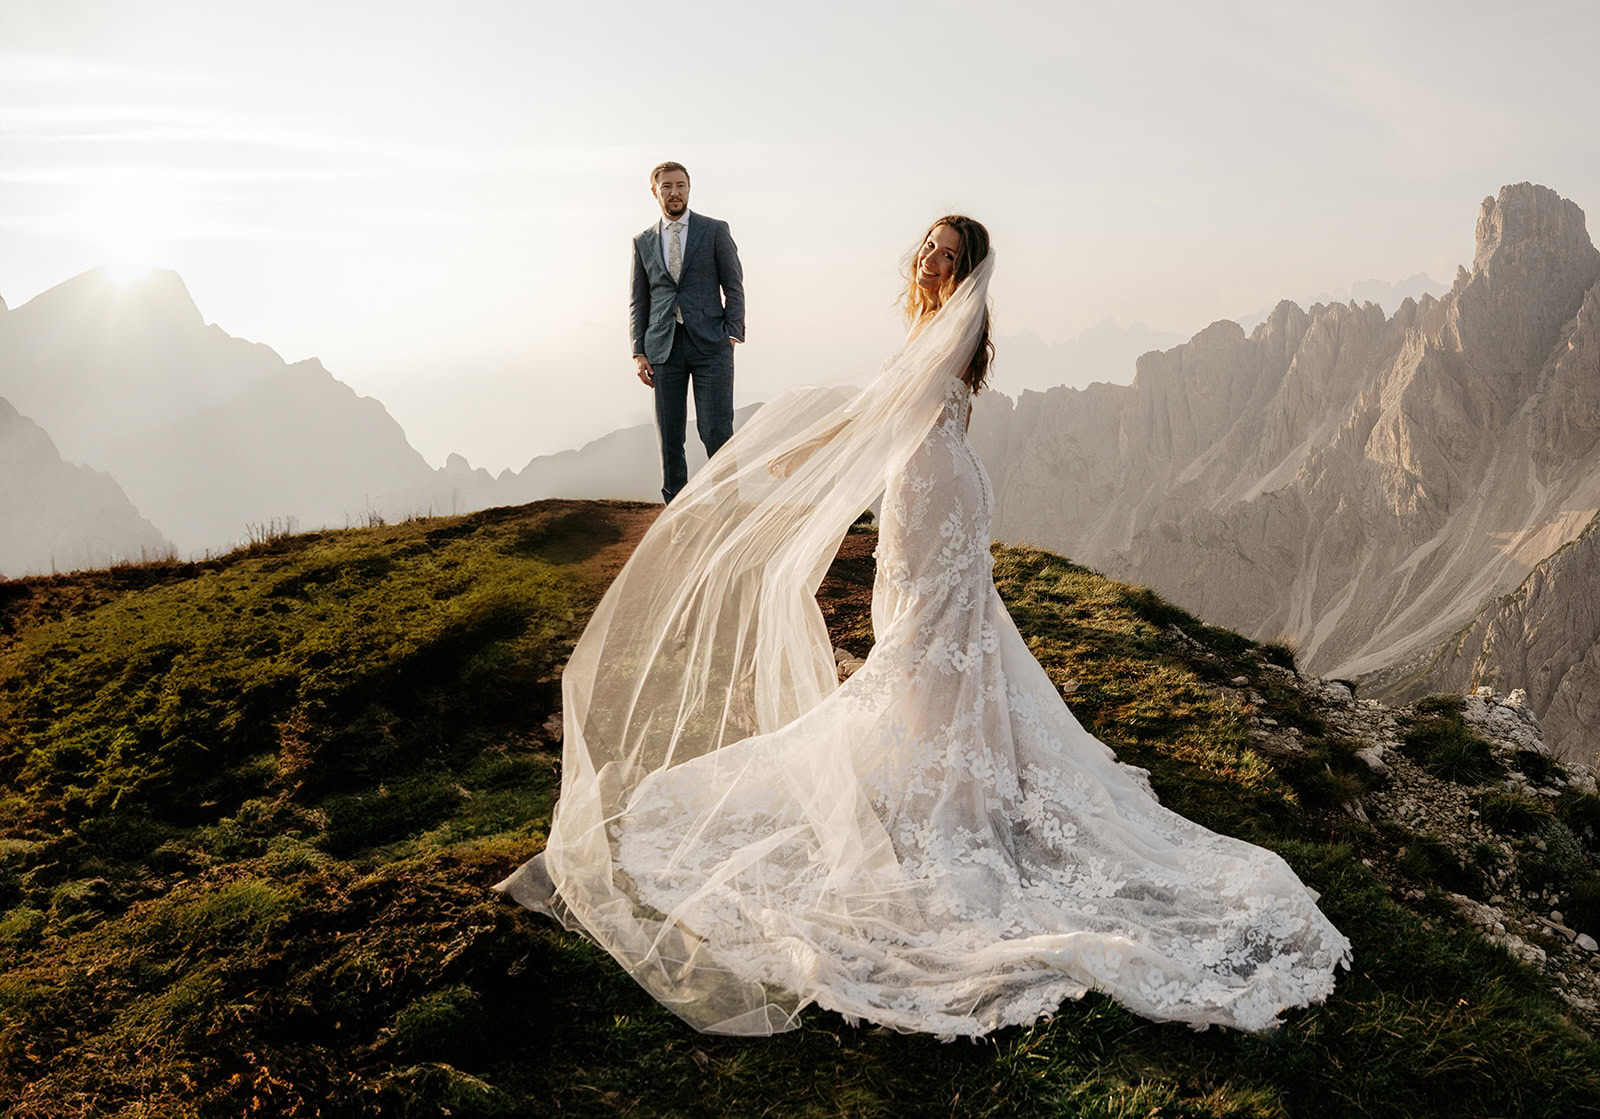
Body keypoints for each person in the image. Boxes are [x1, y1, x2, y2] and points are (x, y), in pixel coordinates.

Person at [498, 215, 1351, 1038]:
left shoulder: (946, 329)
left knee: (927, 640)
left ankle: (942, 769)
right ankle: (942, 751)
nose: (927, 263)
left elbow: (875, 411)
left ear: (966, 268)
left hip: (933, 490)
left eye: (944, 255)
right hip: (930, 488)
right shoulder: (944, 327)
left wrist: (786, 447)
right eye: (927, 250)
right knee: (930, 638)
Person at [631, 161, 746, 504]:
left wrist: (732, 333)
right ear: (655, 192)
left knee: (716, 432)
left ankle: (728, 511)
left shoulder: (714, 230)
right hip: (663, 348)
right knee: (669, 436)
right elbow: (639, 300)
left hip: (712, 345)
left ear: (689, 189)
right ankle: (676, 516)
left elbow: (734, 285)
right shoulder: (643, 242)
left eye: (680, 185)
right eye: (667, 186)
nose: (675, 192)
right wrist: (639, 351)